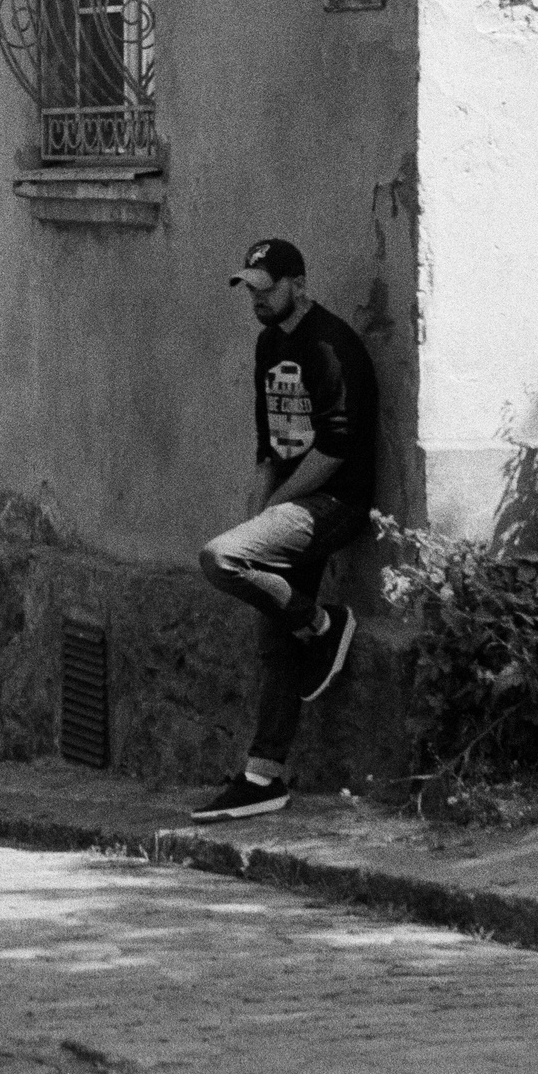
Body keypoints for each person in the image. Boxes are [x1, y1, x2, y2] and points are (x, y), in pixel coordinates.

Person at [190, 238, 379, 822]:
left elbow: (335, 450)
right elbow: (267, 448)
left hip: (334, 503)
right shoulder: (269, 344)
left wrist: (274, 509)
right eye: (249, 289)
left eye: (266, 289)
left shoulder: (330, 345)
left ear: (298, 284)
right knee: (276, 639)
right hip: (292, 505)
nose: (256, 299)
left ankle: (323, 623)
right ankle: (262, 778)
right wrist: (259, 514)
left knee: (220, 557)